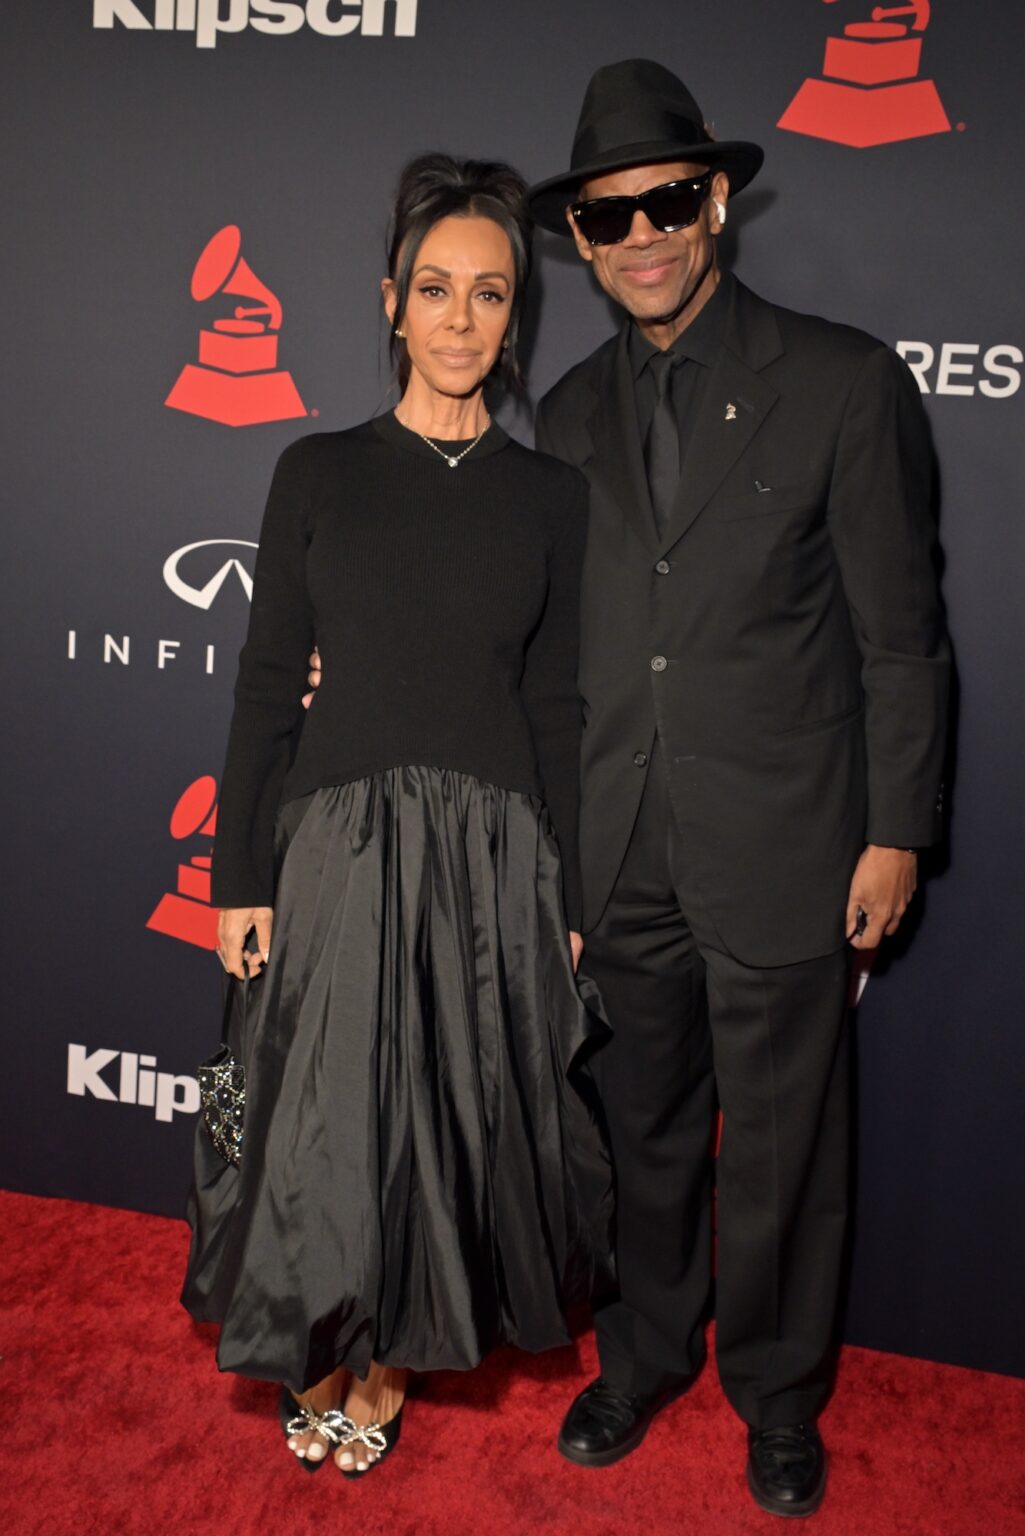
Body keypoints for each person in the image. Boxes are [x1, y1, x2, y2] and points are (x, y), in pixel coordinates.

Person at [525, 59, 950, 1518]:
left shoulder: (841, 381)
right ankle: (643, 1353)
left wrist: (896, 831)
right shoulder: (564, 414)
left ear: (713, 202)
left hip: (787, 842)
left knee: (782, 1150)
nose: (639, 235)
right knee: (637, 1132)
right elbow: (553, 652)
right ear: (578, 239)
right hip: (618, 850)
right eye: (606, 215)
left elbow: (901, 636)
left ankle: (778, 1393)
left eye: (664, 201)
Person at [181, 153, 611, 1478]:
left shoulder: (553, 499)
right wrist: (238, 879)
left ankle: (388, 1361)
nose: (460, 318)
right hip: (332, 844)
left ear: (514, 316)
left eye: (489, 293)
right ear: (391, 303)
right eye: (434, 288)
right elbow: (268, 685)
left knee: (438, 1131)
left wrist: (569, 898)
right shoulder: (315, 471)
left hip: (487, 860)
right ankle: (313, 1338)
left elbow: (557, 710)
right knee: (319, 1122)